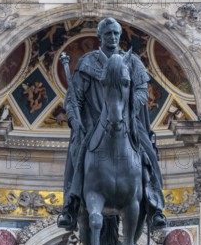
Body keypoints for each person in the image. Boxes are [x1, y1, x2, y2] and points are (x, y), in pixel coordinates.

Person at [57, 17, 166, 232]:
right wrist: (75, 120)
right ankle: (69, 207)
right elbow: (74, 98)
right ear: (99, 37)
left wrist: (130, 106)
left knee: (148, 153)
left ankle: (155, 206)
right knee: (77, 153)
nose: (113, 37)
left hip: (127, 121)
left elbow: (143, 91)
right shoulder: (87, 63)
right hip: (93, 123)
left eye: (116, 33)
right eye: (108, 34)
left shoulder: (132, 61)